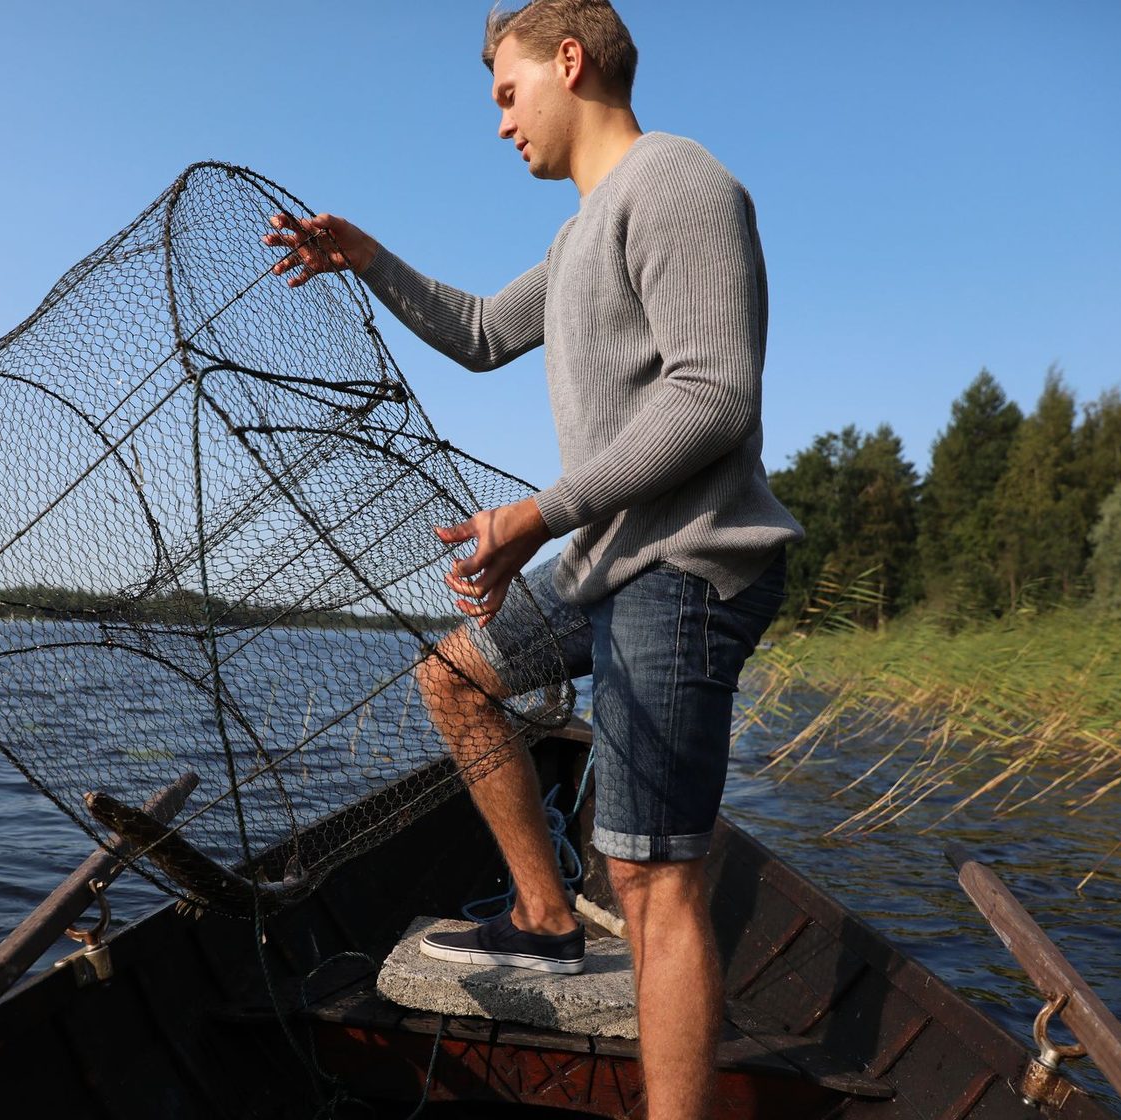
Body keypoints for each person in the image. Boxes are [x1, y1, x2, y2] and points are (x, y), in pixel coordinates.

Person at [263, 2, 802, 1115]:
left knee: (657, 885)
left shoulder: (680, 183)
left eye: (508, 95)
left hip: (687, 564)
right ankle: (546, 911)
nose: (501, 124)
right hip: (610, 558)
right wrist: (362, 255)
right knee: (453, 678)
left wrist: (541, 513)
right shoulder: (577, 234)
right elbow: (471, 330)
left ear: (570, 62)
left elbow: (714, 396)